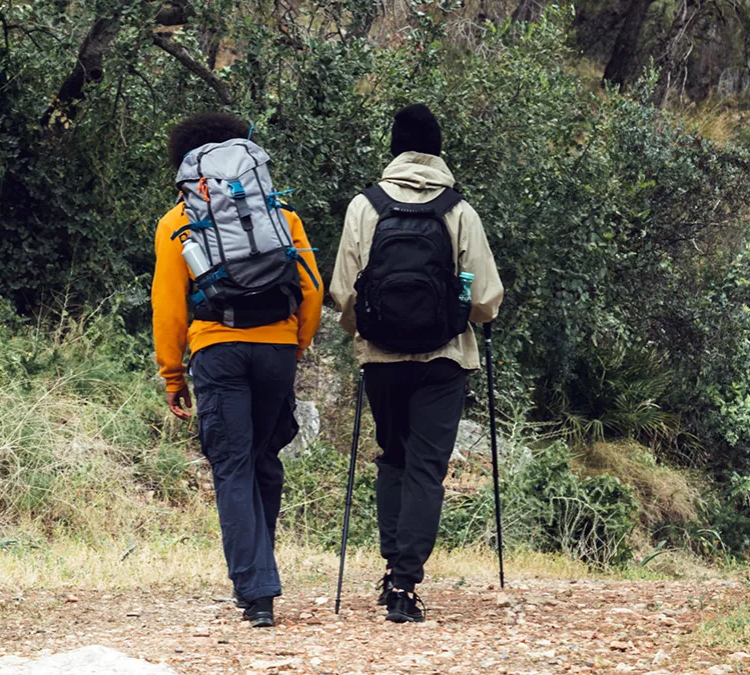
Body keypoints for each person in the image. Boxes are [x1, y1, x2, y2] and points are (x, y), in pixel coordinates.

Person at [330, 104, 504, 623]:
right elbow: (488, 297)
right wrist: (455, 314)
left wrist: (366, 332)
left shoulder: (365, 206)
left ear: (394, 149)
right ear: (439, 150)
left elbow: (343, 291)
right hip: (443, 360)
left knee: (393, 457)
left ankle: (390, 570)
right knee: (427, 470)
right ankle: (406, 584)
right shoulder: (458, 212)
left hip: (381, 359)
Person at [152, 112, 324, 627]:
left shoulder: (178, 220)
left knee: (231, 465)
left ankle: (256, 592)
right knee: (264, 458)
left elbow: (168, 305)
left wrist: (172, 373)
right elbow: (311, 289)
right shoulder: (279, 213)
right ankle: (259, 576)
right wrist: (292, 347)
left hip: (216, 350)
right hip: (275, 346)